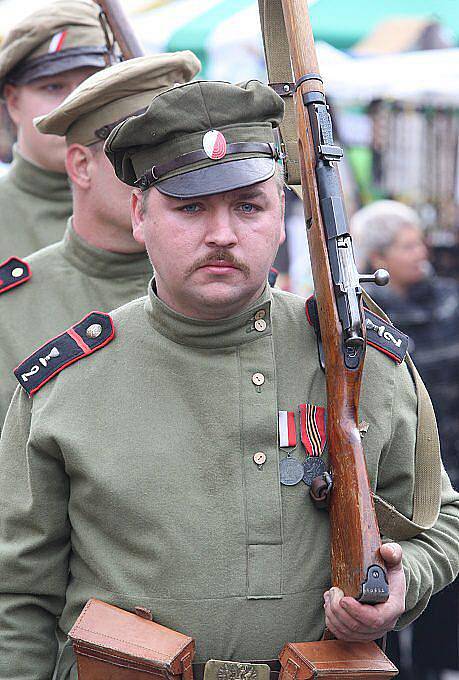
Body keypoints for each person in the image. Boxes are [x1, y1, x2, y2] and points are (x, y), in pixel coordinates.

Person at [0, 80, 457, 680]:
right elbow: (17, 600)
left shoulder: (358, 360)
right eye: (190, 207)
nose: (222, 234)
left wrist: (403, 583)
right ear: (140, 215)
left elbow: (438, 523)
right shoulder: (68, 381)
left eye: (248, 205)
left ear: (283, 217)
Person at [0, 51, 200, 429]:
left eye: (178, 149)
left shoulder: (227, 287)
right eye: (137, 150)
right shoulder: (10, 312)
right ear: (80, 165)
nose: (163, 169)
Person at [351, 199, 459, 680]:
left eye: (420, 240)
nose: (422, 252)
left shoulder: (451, 303)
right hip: (402, 475)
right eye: (408, 243)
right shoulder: (362, 325)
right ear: (378, 259)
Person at [0, 0, 113, 258]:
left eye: (94, 83)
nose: (76, 105)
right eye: (54, 87)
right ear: (14, 102)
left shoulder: (154, 205)